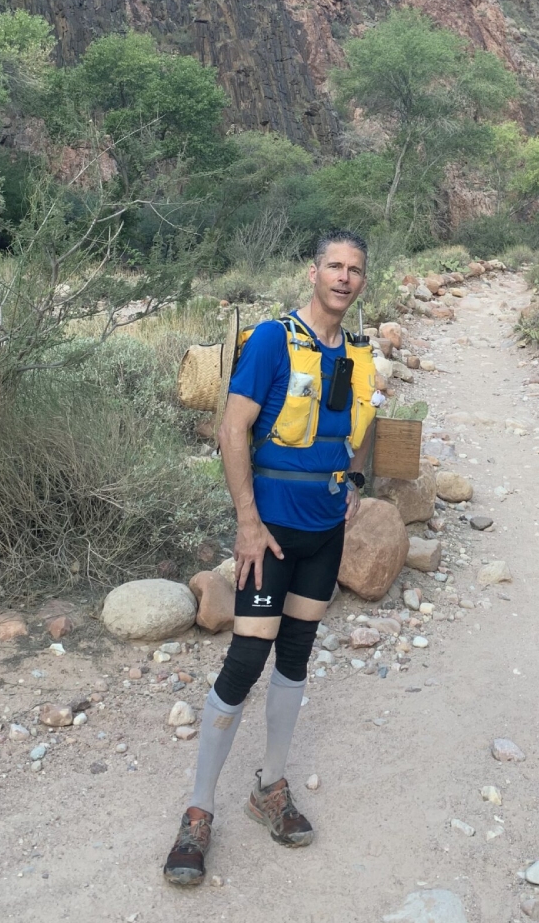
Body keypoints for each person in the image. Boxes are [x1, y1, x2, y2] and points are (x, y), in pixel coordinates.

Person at [162, 229, 377, 887]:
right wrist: (248, 523)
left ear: (363, 280)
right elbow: (232, 429)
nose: (343, 277)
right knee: (247, 656)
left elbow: (362, 435)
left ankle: (270, 791)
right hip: (273, 535)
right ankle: (199, 812)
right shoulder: (271, 341)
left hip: (324, 533)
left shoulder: (357, 351)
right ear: (313, 272)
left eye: (355, 269)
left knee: (296, 655)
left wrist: (358, 488)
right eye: (334, 266)